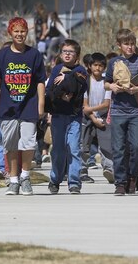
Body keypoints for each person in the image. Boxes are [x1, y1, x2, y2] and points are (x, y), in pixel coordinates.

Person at [0, 17, 47, 196]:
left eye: (22, 31)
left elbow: (40, 81)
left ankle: (26, 176)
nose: (19, 34)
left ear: (26, 33)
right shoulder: (3, 55)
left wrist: (41, 104)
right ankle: (13, 180)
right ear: (10, 33)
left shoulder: (34, 55)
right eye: (16, 31)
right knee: (11, 144)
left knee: (28, 143)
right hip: (8, 107)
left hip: (28, 106)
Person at [104, 28, 138, 195]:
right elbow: (106, 82)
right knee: (118, 148)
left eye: (132, 44)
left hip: (136, 111)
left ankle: (133, 176)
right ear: (119, 46)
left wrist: (137, 89)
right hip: (118, 110)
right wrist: (112, 86)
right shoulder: (114, 63)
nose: (130, 47)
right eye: (126, 44)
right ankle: (120, 182)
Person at [46, 39, 88, 194]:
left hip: (74, 116)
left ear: (77, 55)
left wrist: (67, 78)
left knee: (74, 149)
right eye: (65, 51)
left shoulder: (81, 70)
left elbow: (82, 86)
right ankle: (55, 179)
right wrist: (59, 96)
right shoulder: (56, 69)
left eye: (71, 52)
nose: (67, 54)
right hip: (58, 115)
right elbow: (49, 89)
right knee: (58, 150)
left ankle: (74, 182)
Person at [81, 53, 112, 179]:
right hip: (87, 116)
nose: (97, 68)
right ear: (90, 66)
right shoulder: (86, 81)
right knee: (83, 144)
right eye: (95, 65)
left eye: (100, 66)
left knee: (107, 144)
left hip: (103, 116)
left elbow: (106, 104)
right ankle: (82, 170)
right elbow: (84, 104)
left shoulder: (107, 82)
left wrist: (92, 110)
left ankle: (109, 169)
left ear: (104, 67)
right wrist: (93, 117)